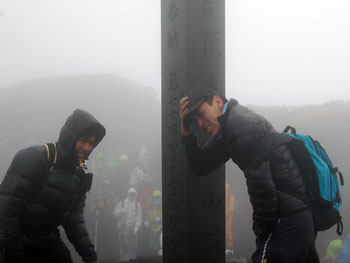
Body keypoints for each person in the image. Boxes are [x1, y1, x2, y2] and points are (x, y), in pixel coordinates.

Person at [179, 88, 319, 263]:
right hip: (297, 218)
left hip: (286, 221)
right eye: (194, 121)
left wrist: (262, 237)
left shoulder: (240, 127)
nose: (199, 123)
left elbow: (262, 188)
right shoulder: (230, 127)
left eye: (201, 113)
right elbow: (200, 166)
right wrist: (187, 133)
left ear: (217, 101)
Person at [0, 109, 106, 263]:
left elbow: (74, 218)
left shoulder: (79, 175)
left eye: (91, 143)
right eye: (82, 140)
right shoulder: (34, 158)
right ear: (70, 137)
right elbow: (6, 212)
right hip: (16, 240)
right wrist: (14, 253)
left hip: (48, 240)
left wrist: (87, 251)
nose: (87, 148)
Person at [114, 187, 142, 262]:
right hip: (123, 229)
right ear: (128, 194)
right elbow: (115, 212)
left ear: (135, 195)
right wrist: (120, 211)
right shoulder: (122, 202)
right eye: (130, 194)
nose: (132, 195)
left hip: (133, 230)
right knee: (123, 247)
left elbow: (139, 217)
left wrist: (137, 226)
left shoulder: (137, 205)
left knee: (133, 248)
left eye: (133, 194)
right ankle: (123, 261)